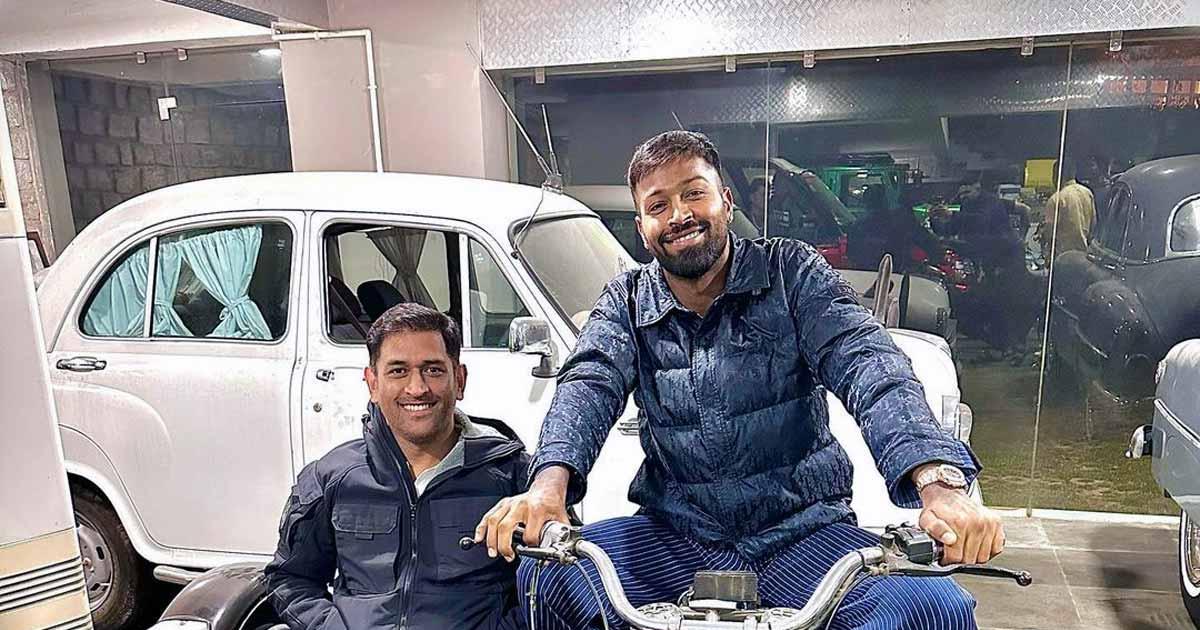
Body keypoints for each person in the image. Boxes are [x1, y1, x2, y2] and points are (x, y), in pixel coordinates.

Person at [476, 131, 1003, 629]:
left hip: (800, 534)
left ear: (726, 201)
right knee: (546, 579)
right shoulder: (627, 301)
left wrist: (939, 486)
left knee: (934, 609)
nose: (679, 215)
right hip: (676, 535)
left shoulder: (791, 274)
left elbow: (868, 363)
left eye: (693, 193)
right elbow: (588, 384)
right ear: (642, 227)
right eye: (658, 205)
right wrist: (547, 490)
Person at [265, 303, 529, 630]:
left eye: (433, 370)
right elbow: (291, 579)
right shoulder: (332, 478)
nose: (417, 388)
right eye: (398, 371)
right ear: (373, 383)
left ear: (459, 380)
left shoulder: (514, 478)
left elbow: (557, 586)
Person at [1039, 160, 1096, 260]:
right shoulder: (1087, 193)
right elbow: (1093, 224)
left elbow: (1049, 233)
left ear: (1057, 175)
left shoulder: (1056, 199)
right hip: (1084, 256)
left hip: (1063, 257)